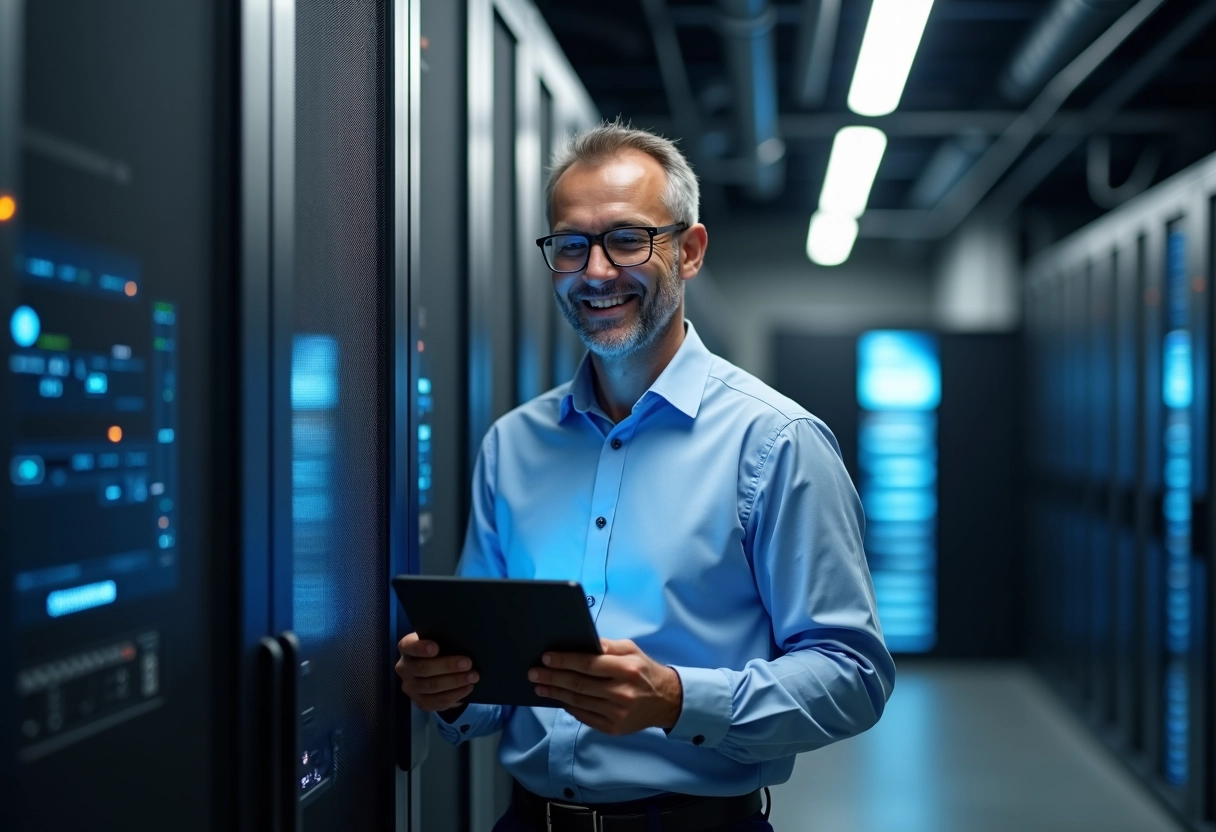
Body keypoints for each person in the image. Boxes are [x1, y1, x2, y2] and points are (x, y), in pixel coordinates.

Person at [396, 121, 895, 832]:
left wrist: (676, 699)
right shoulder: (514, 444)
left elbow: (854, 676)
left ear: (688, 252)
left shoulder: (776, 443)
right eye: (571, 245)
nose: (596, 272)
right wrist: (447, 687)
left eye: (627, 240)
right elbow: (491, 687)